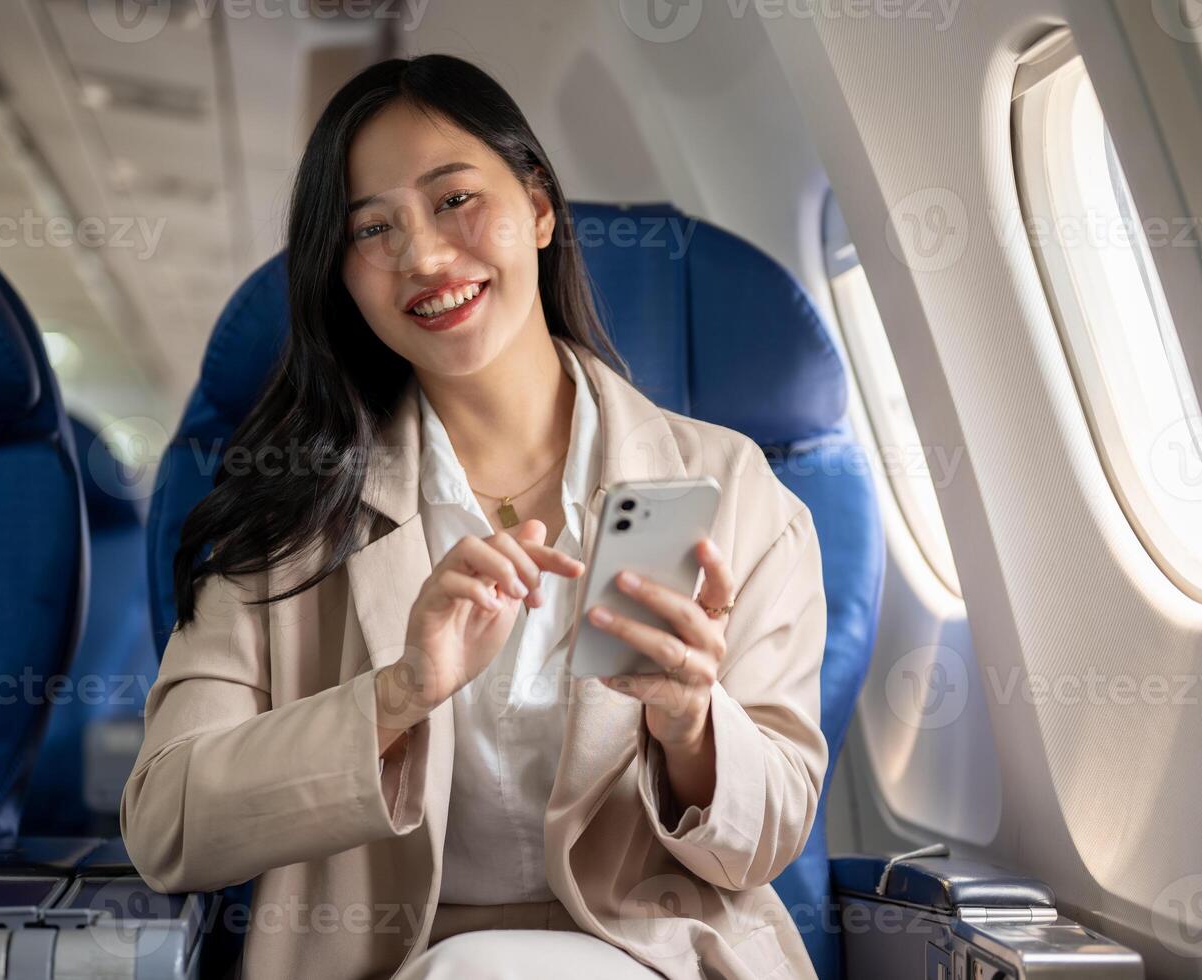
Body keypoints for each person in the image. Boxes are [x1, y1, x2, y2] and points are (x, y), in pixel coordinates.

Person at [120, 53, 827, 980]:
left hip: (656, 957)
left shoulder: (732, 491)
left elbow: (764, 842)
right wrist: (395, 696)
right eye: (371, 229)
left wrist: (691, 722)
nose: (420, 256)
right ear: (342, 280)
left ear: (538, 206)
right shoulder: (287, 521)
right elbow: (167, 826)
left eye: (454, 200)